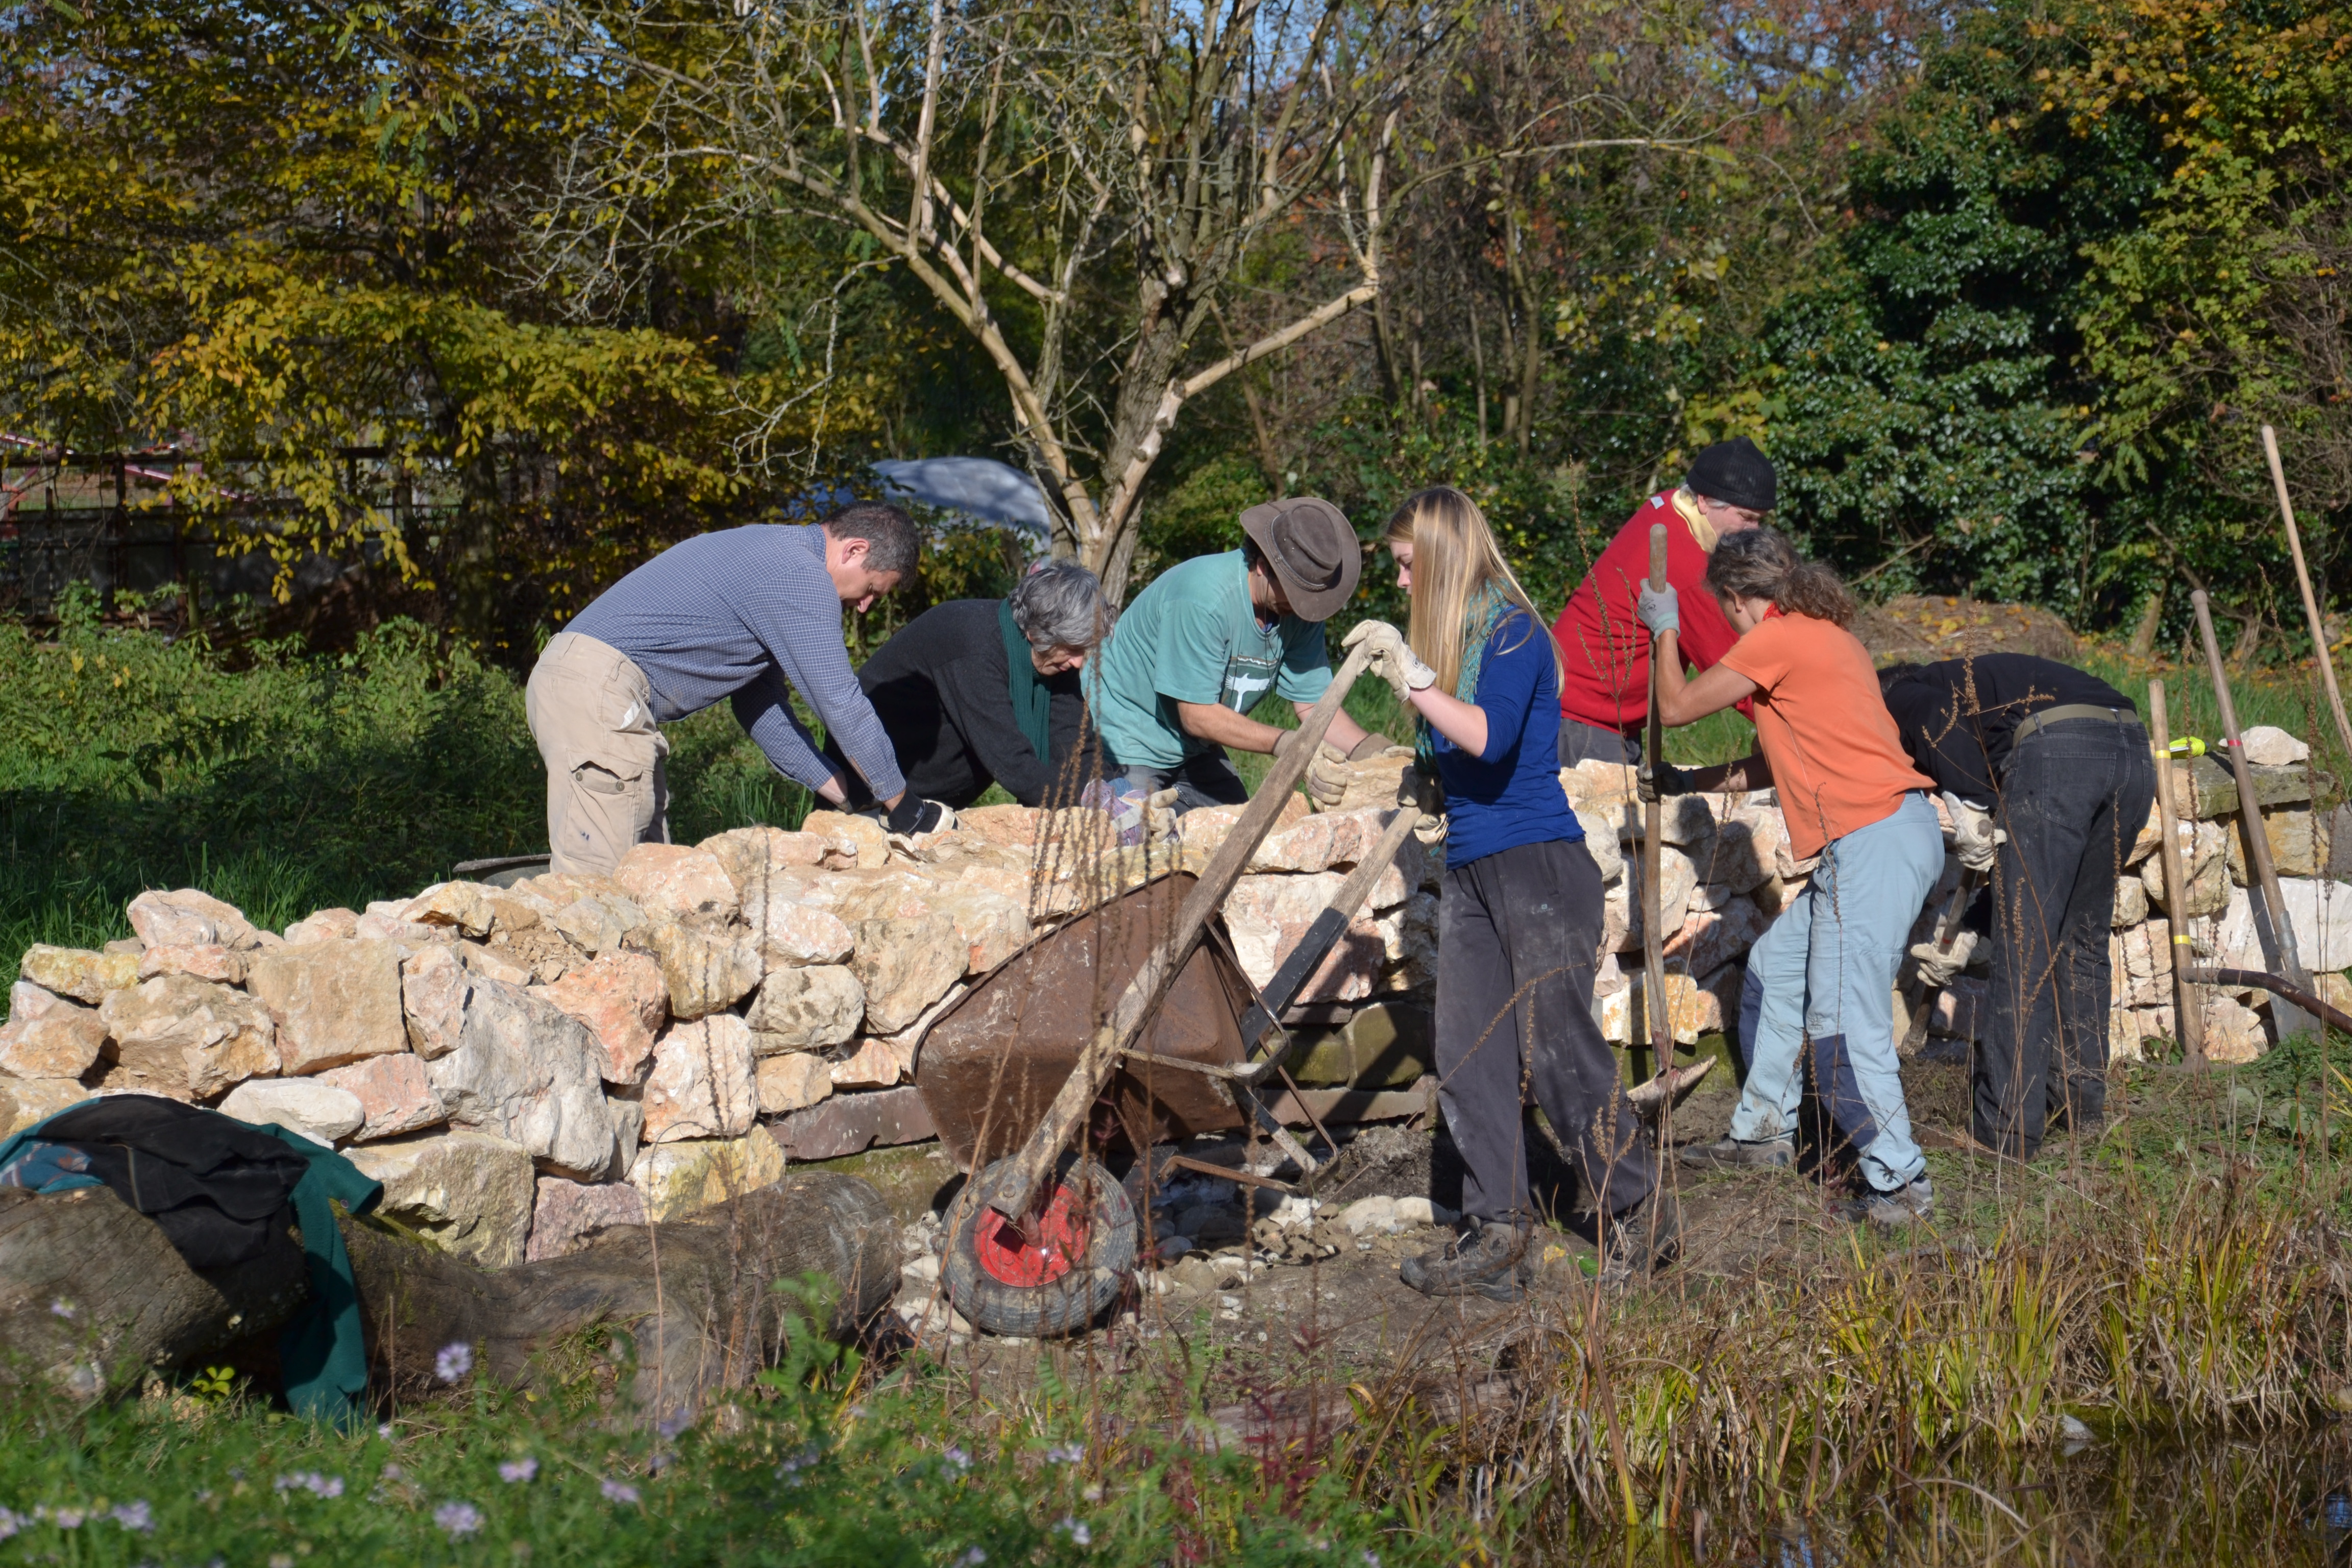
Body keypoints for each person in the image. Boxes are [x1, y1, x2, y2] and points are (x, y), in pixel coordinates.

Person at [1343, 487, 1675, 1297]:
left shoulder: (1515, 632)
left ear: (1444, 557)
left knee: (1558, 1050)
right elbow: (1460, 751)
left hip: (1537, 866)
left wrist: (1413, 680)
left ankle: (1641, 1214)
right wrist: (1426, 775)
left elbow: (1490, 739)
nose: (1401, 582)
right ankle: (1497, 1233)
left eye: (1408, 565)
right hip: (1472, 869)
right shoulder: (1460, 645)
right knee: (1469, 1056)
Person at [1639, 530, 1945, 1225]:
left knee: (1843, 1024)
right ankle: (1763, 1134)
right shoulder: (1828, 638)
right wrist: (1690, 780)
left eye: (1726, 610)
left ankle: (1900, 1185)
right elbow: (1771, 764)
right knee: (1777, 967)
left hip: (1870, 841)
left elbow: (1677, 707)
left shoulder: (1777, 638)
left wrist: (1665, 630)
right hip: (1886, 835)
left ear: (1738, 598)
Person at [528, 502, 938, 876]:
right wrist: (905, 807)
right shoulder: (802, 574)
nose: (865, 606)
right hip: (599, 687)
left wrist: (847, 793)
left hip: (588, 684)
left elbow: (761, 705)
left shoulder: (771, 555)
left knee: (649, 878)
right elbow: (841, 703)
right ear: (854, 550)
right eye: (872, 590)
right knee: (600, 888)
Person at [1877, 655, 2153, 1158]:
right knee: (2081, 941)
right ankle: (2079, 1110)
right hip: (2131, 749)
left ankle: (2005, 1131)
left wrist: (1969, 803)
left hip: (2060, 752)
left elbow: (1936, 725)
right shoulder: (1986, 688)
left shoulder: (1900, 692)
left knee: (2025, 946)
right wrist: (1974, 923)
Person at [1087, 497, 1389, 812]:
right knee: (1135, 834)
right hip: (1125, 736)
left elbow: (1314, 705)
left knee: (1244, 828)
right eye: (1295, 594)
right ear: (1262, 567)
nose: (1304, 608)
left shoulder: (1301, 610)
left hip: (1192, 747)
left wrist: (1371, 752)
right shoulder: (1203, 599)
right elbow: (1197, 715)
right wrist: (1287, 743)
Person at [1549, 437, 1776, 765]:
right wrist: (1798, 720)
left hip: (1594, 712)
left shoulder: (1671, 507)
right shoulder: (1685, 563)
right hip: (1586, 719)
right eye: (1746, 517)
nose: (1753, 530)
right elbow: (1735, 668)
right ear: (1704, 500)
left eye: (1760, 519)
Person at [822, 559, 1114, 811]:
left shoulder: (1053, 655)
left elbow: (1076, 744)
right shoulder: (975, 648)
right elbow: (1012, 761)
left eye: (1084, 650)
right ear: (1036, 633)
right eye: (1073, 648)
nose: (1079, 662)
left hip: (938, 800)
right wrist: (1084, 801)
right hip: (872, 794)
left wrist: (1106, 792)